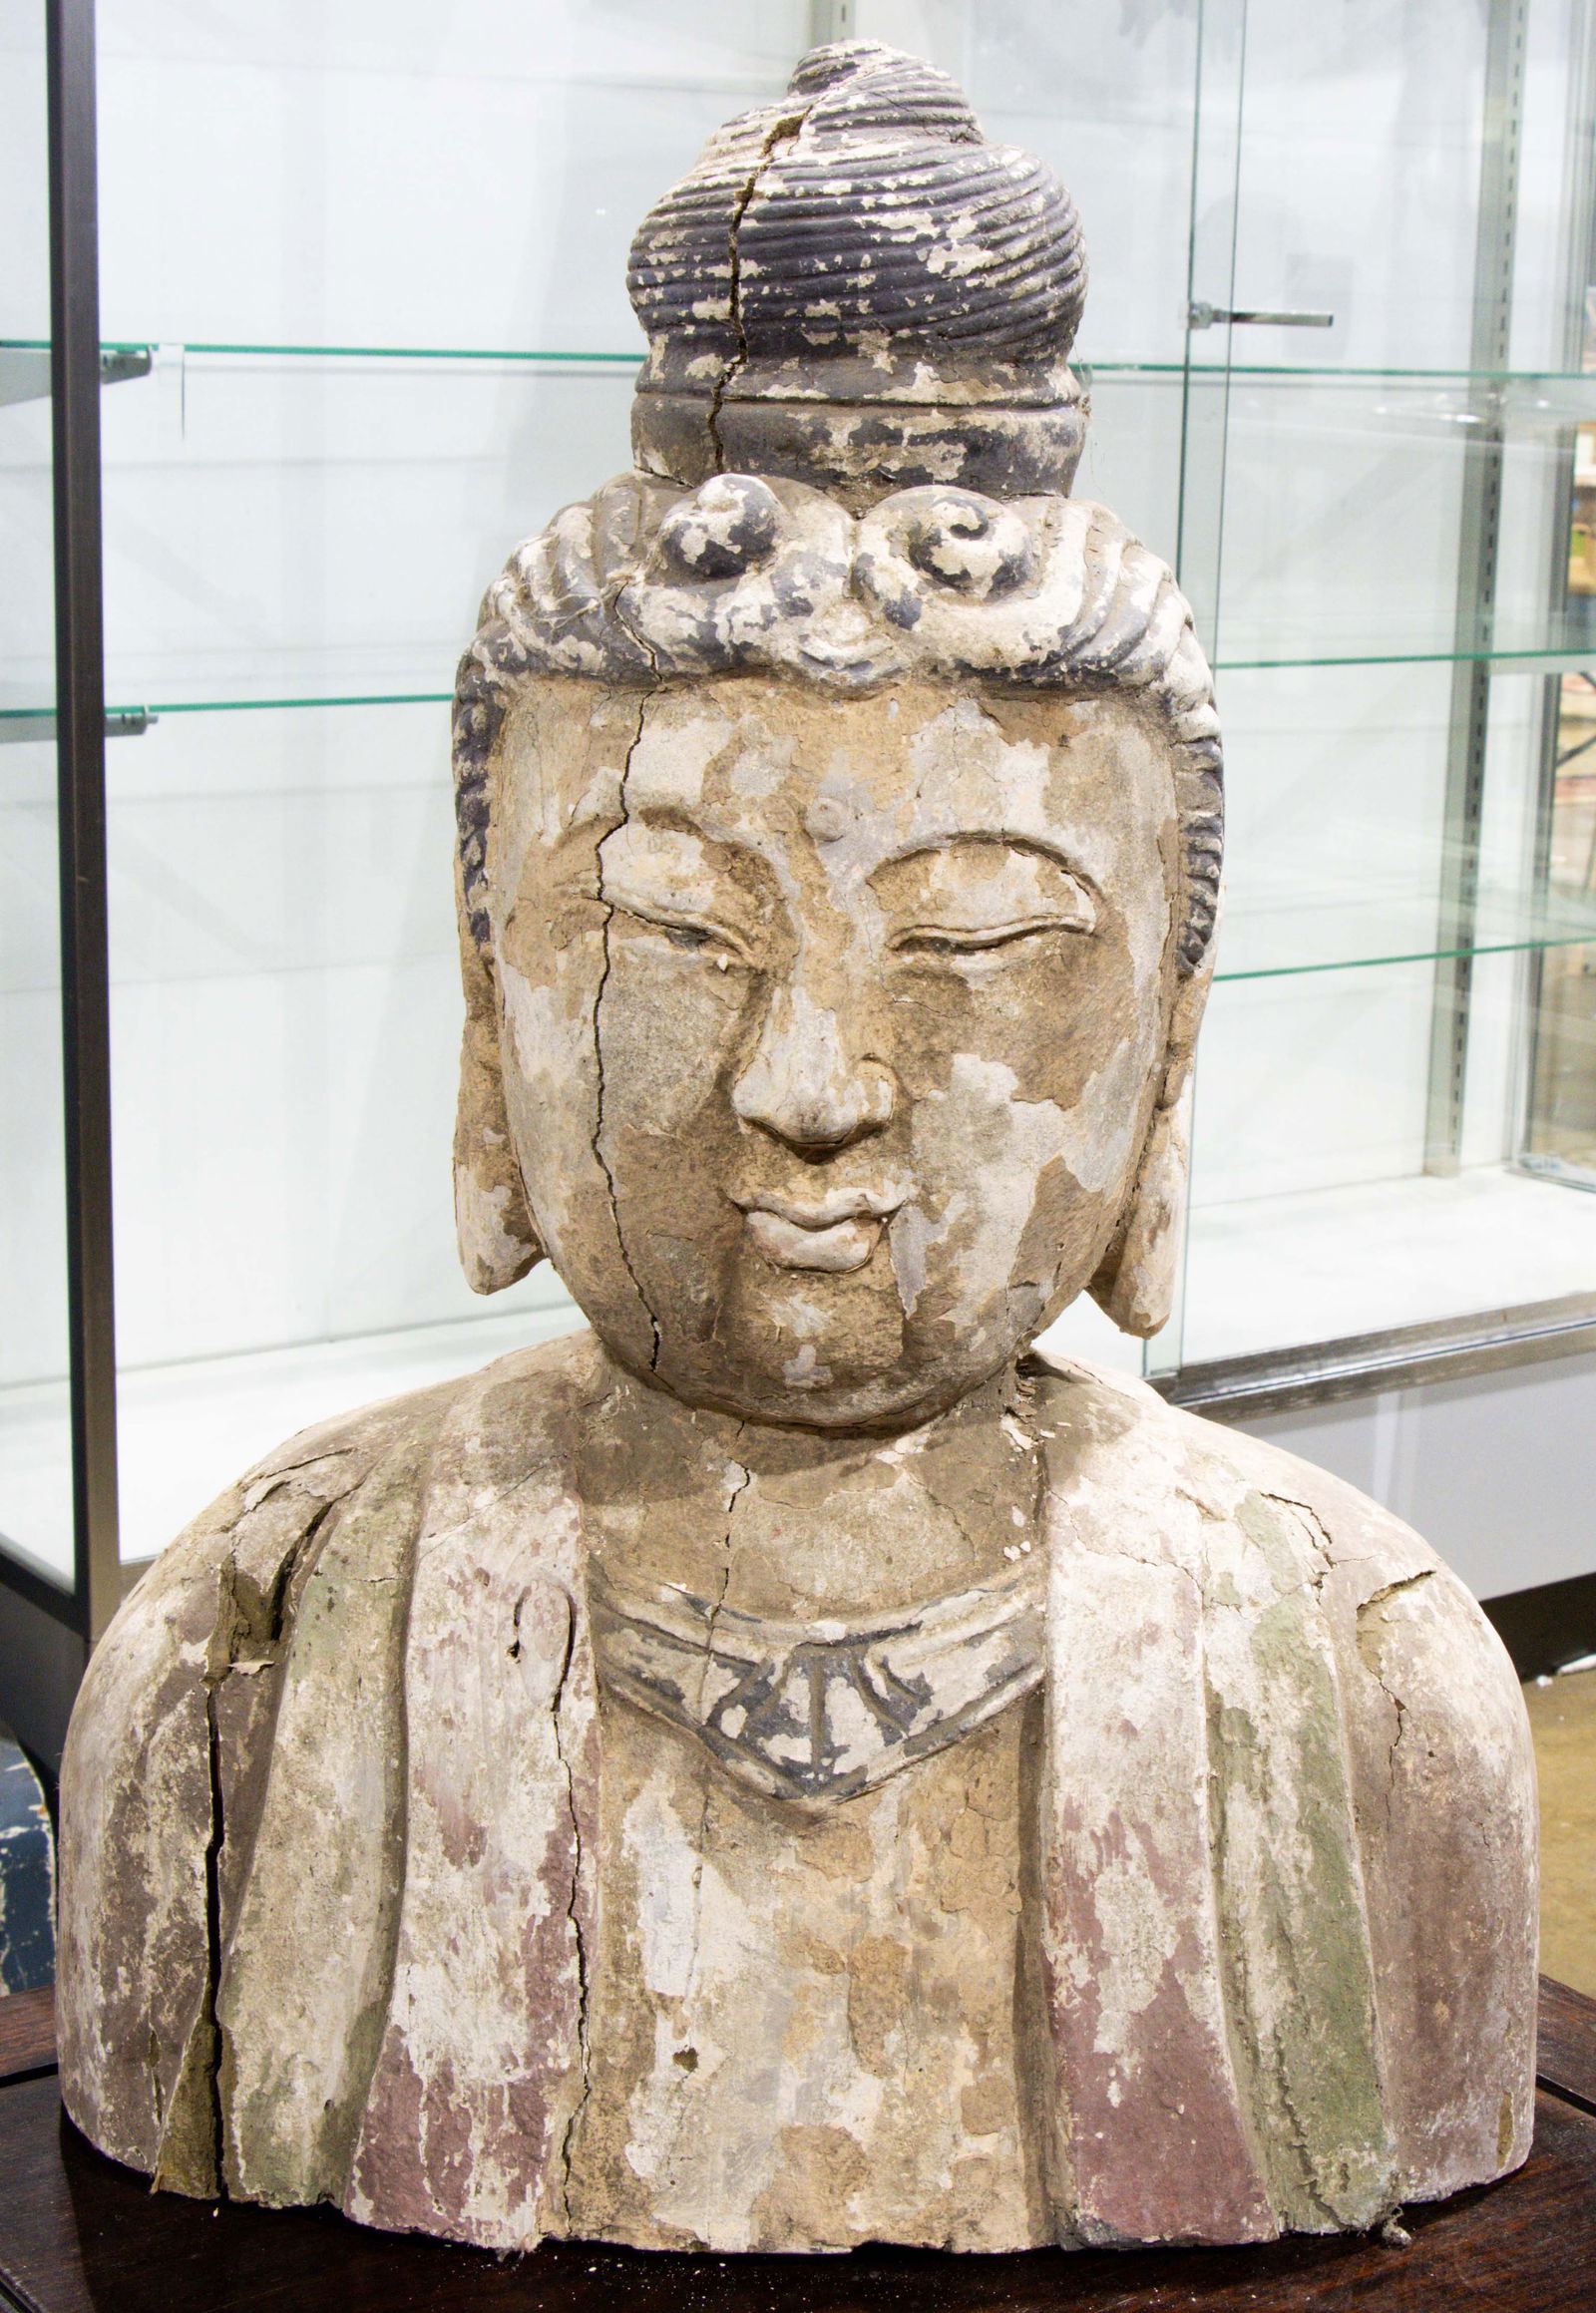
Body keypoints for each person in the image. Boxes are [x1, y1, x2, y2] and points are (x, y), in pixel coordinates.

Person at [57, 39, 1535, 2259]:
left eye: (975, 942)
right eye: (670, 933)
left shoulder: (1367, 1683)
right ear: (489, 996)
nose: (810, 1081)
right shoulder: (236, 1661)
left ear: (1169, 1038)